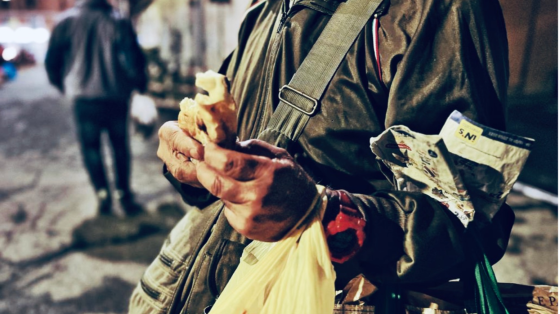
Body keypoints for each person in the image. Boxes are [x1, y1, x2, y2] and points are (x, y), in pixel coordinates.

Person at [129, 0, 514, 311]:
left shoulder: (436, 9)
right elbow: (226, 156)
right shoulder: (264, 11)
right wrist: (192, 164)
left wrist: (327, 215)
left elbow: (474, 220)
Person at [45, 0, 148, 216]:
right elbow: (134, 61)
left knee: (91, 149)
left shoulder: (66, 22)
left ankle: (102, 194)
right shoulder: (118, 21)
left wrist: (63, 84)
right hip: (116, 96)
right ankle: (124, 194)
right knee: (120, 147)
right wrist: (140, 86)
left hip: (83, 98)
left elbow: (52, 61)